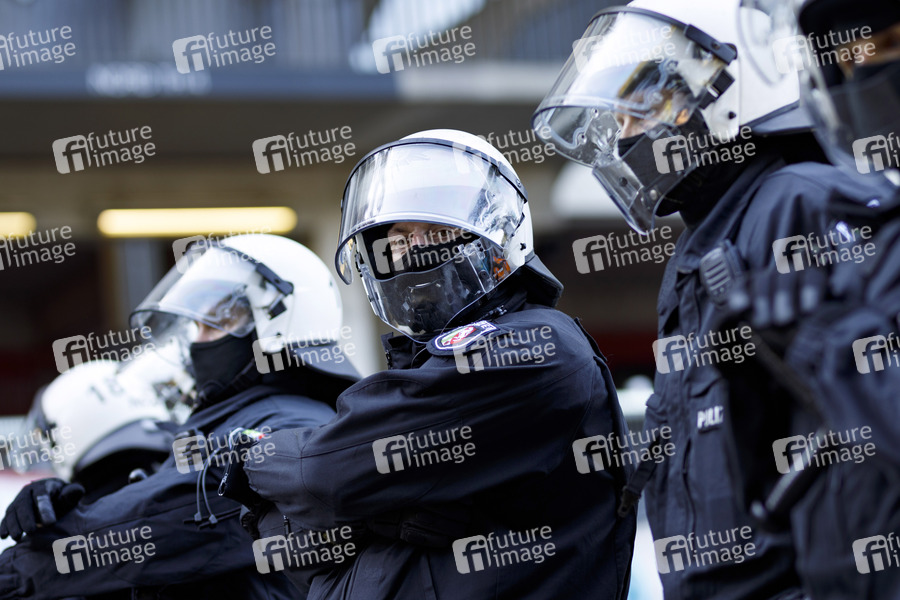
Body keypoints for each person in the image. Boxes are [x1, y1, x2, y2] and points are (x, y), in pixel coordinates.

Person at [531, 0, 886, 597]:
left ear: (731, 90)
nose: (624, 134)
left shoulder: (795, 204)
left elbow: (860, 443)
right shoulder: (711, 237)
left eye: (642, 108)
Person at [225, 130, 636, 600]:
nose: (416, 248)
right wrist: (375, 515)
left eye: (438, 229)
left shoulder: (539, 345)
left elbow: (322, 473)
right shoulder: (422, 364)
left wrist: (256, 461)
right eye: (399, 237)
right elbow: (300, 556)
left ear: (496, 232)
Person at [0, 234, 358, 599]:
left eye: (213, 323)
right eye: (196, 325)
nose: (195, 341)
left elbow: (166, 520)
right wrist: (70, 506)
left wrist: (17, 572)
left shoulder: (285, 427)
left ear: (276, 324)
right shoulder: (253, 419)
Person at [718, 1, 900, 598]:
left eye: (892, 44)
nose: (869, 67)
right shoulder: (874, 240)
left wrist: (827, 340)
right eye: (853, 56)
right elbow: (777, 498)